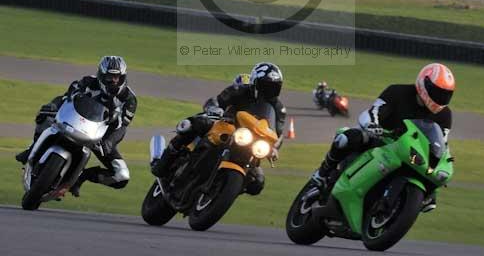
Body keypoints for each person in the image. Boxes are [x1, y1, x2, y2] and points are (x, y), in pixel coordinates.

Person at [311, 63, 455, 212]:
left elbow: (441, 144)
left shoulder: (444, 115)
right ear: (424, 83)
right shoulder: (398, 92)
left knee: (431, 191)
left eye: (445, 95)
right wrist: (372, 124)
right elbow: (375, 111)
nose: (440, 98)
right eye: (437, 92)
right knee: (347, 138)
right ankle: (322, 173)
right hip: (380, 138)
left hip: (409, 153)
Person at [151, 62, 285, 195]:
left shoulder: (278, 109)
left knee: (257, 182)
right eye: (265, 86)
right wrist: (216, 110)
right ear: (255, 83)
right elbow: (216, 101)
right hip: (225, 127)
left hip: (250, 144)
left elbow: (277, 134)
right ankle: (163, 162)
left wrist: (273, 148)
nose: (269, 91)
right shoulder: (240, 90)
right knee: (193, 124)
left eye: (274, 87)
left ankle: (221, 191)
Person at [16, 56, 137, 195]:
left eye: (117, 77)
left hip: (99, 137)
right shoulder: (88, 82)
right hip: (74, 122)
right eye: (110, 77)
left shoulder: (129, 100)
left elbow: (122, 127)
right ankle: (31, 149)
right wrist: (52, 106)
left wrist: (109, 142)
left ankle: (81, 177)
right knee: (45, 114)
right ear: (101, 75)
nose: (114, 81)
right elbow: (66, 97)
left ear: (123, 77)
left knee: (122, 176)